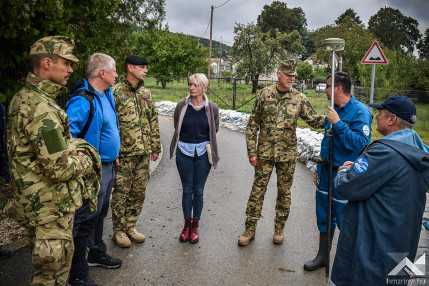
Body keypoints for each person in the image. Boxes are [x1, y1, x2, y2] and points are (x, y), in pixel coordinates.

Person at [6, 36, 98, 286]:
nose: (70, 70)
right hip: (50, 210)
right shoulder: (42, 109)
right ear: (47, 63)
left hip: (36, 204)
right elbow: (59, 167)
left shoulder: (23, 97)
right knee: (51, 276)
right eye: (66, 63)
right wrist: (87, 157)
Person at [331, 95, 429, 286]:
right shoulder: (418, 152)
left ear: (392, 119)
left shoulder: (384, 153)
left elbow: (346, 186)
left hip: (370, 250)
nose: (376, 116)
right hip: (401, 247)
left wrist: (344, 170)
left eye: (380, 113)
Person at [238, 60, 326, 246]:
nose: (291, 78)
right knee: (257, 191)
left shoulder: (299, 98)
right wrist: (251, 151)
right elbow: (252, 125)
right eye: (288, 75)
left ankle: (279, 229)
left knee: (284, 193)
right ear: (279, 74)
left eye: (293, 76)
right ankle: (249, 229)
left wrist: (333, 119)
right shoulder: (264, 94)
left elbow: (314, 120)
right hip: (265, 154)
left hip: (287, 155)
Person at [304, 72, 372, 271]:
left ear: (338, 89)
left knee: (345, 219)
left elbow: (360, 143)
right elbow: (327, 140)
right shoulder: (333, 109)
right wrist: (319, 165)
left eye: (327, 86)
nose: (324, 90)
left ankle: (349, 264)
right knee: (324, 215)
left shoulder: (360, 112)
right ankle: (322, 256)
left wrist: (339, 124)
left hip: (344, 175)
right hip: (326, 171)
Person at [66, 53, 122, 285]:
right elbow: (67, 138)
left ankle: (95, 252)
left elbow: (109, 128)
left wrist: (114, 155)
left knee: (99, 214)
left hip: (108, 167)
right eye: (114, 70)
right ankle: (77, 273)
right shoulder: (82, 100)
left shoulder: (106, 95)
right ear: (102, 73)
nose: (116, 74)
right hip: (90, 173)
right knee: (84, 219)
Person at [110, 55, 161, 248]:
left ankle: (131, 225)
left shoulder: (145, 93)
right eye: (142, 67)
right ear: (130, 67)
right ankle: (119, 230)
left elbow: (152, 120)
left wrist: (155, 146)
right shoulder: (115, 92)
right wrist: (114, 152)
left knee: (138, 192)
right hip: (124, 153)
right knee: (121, 192)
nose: (145, 70)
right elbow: (110, 124)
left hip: (143, 152)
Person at [169, 73, 219, 244]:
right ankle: (186, 225)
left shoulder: (212, 108)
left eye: (196, 85)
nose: (191, 88)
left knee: (198, 191)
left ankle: (195, 225)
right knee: (187, 190)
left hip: (203, 153)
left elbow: (214, 129)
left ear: (204, 87)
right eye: (190, 84)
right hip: (184, 151)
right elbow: (177, 125)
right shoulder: (182, 106)